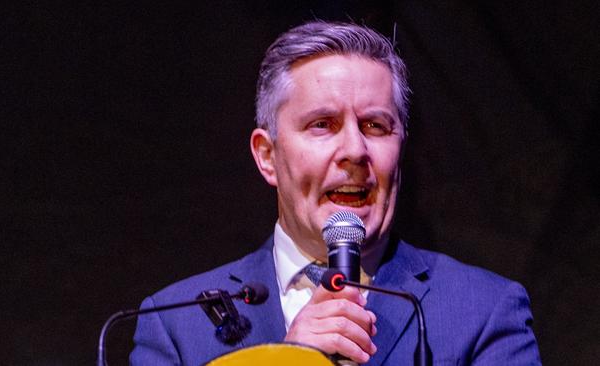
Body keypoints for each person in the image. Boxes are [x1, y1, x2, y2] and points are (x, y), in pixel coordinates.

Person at [130, 21, 541, 365]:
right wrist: (289, 361)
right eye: (322, 124)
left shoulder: (483, 310)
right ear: (267, 156)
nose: (355, 151)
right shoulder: (176, 324)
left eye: (375, 126)